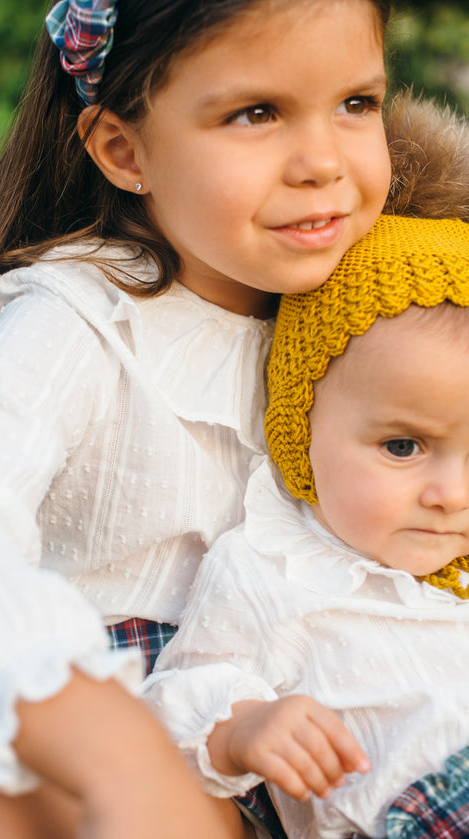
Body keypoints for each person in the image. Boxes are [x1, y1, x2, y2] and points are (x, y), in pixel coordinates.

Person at [0, 0, 393, 838]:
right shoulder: (84, 314)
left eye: (357, 103)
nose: (323, 161)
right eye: (255, 113)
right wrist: (95, 735)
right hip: (129, 709)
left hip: (318, 747)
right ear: (123, 150)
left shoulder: (381, 299)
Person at [142, 118, 469, 837]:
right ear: (301, 429)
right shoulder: (274, 567)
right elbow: (177, 701)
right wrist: (247, 727)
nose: (454, 494)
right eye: (404, 446)